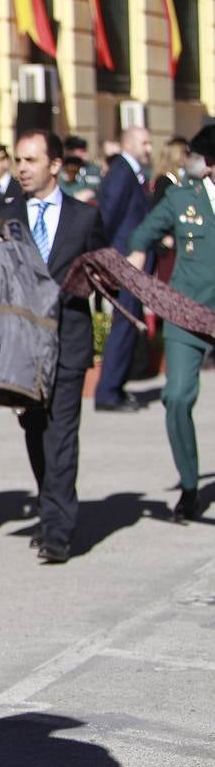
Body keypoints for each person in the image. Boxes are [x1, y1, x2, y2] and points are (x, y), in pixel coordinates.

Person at [0, 130, 106, 563]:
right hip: (24, 349)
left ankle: (59, 529)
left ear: (55, 164)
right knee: (35, 432)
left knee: (61, 434)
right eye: (18, 160)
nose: (22, 168)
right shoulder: (3, 215)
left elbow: (103, 271)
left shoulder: (84, 217)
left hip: (69, 340)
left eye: (31, 160)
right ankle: (48, 505)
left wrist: (93, 282)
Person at [126, 124, 215, 521]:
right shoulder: (182, 198)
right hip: (187, 312)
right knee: (177, 396)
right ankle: (190, 485)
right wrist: (136, 257)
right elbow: (143, 233)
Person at [95, 125, 153, 412]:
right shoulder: (121, 171)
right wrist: (109, 259)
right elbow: (108, 216)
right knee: (125, 322)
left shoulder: (130, 171)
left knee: (129, 323)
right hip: (125, 260)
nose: (149, 148)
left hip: (131, 260)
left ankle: (115, 387)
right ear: (129, 143)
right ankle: (107, 392)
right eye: (145, 143)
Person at [59, 135, 102, 203]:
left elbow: (101, 187)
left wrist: (93, 193)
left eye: (83, 151)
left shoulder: (94, 169)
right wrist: (74, 195)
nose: (82, 154)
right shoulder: (61, 170)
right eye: (80, 151)